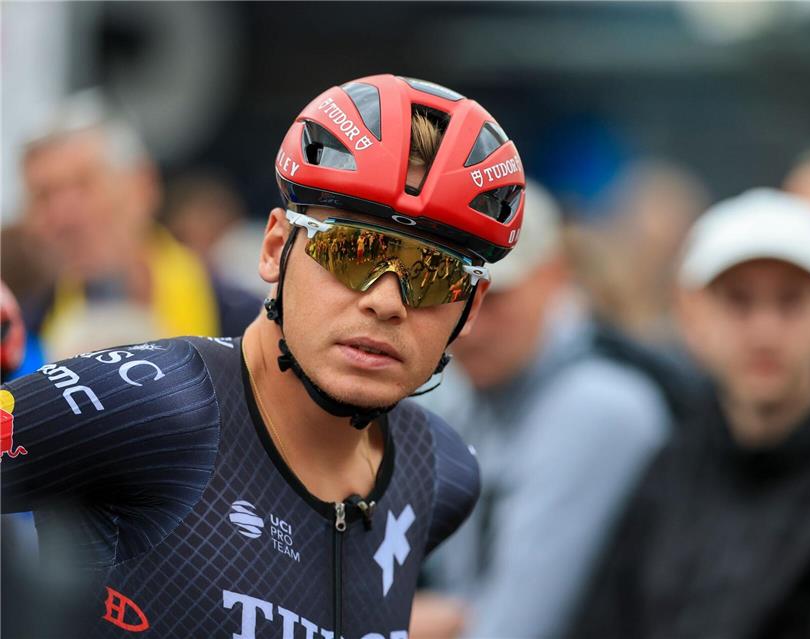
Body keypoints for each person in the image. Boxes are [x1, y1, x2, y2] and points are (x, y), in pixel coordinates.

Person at [0, 74, 526, 638]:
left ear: (469, 310)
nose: (385, 301)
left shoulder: (444, 472)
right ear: (276, 249)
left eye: (432, 275)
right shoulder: (151, 404)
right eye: (349, 251)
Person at [571, 189, 810, 639]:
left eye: (790, 302)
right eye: (739, 301)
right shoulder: (677, 457)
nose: (765, 330)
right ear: (692, 316)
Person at [409, 182, 669, 638]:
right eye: (453, 290)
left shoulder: (599, 407)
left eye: (497, 296)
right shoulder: (459, 388)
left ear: (553, 275)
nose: (471, 324)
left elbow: (512, 629)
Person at [17, 89, 261, 361]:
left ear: (144, 186)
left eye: (84, 185)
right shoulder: (20, 339)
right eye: (44, 196)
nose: (64, 216)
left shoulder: (245, 326)